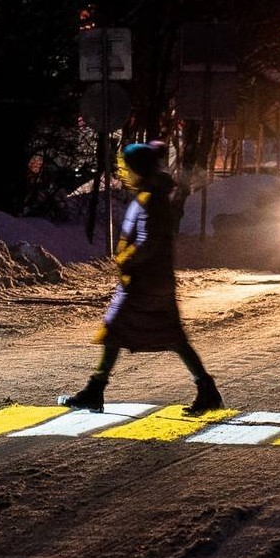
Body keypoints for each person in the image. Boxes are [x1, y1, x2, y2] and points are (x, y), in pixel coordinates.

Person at [58, 142, 223, 416]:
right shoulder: (151, 195)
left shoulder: (150, 199)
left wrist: (126, 259)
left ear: (138, 169)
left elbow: (148, 240)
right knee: (169, 337)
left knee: (117, 331)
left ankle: (94, 391)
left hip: (144, 283)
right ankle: (207, 390)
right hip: (153, 281)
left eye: (125, 168)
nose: (122, 173)